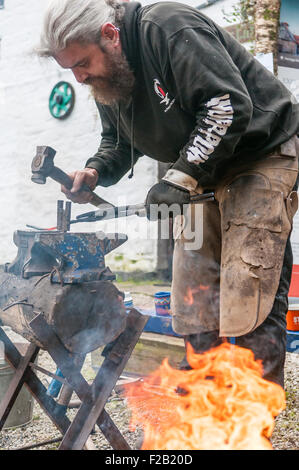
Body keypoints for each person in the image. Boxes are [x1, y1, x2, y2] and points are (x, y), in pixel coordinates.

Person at [36, 0, 299, 387]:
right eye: (71, 68)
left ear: (110, 36)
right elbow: (117, 140)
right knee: (192, 296)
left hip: (258, 154)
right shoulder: (110, 77)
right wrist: (94, 171)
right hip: (202, 171)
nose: (79, 78)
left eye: (82, 63)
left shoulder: (167, 28)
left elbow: (225, 108)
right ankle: (205, 402)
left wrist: (180, 177)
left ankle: (252, 417)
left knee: (247, 291)